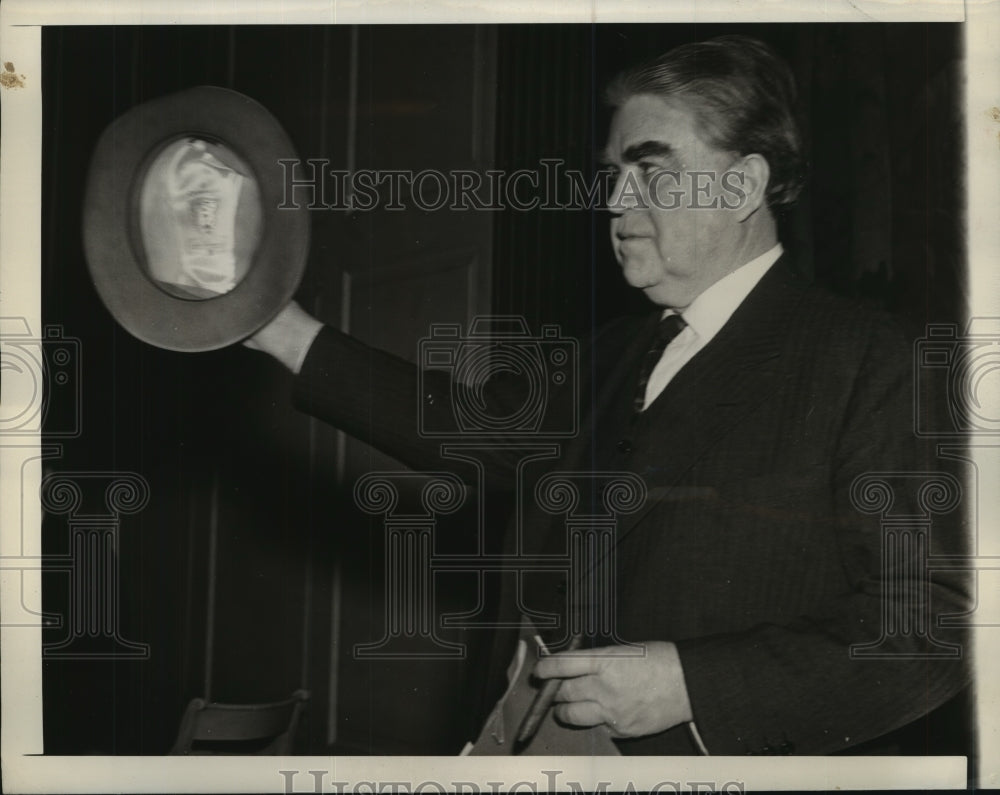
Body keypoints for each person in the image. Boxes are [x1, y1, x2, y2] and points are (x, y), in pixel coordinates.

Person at [246, 35, 970, 755]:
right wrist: (277, 327)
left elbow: (931, 624)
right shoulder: (607, 357)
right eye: (612, 175)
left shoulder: (873, 359)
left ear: (744, 185)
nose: (616, 201)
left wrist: (695, 683)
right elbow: (463, 430)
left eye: (650, 171)